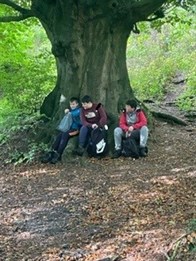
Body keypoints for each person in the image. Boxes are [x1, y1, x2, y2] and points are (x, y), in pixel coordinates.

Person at [42, 97, 81, 164]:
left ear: (77, 104)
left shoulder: (79, 110)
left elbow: (76, 116)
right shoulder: (71, 111)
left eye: (74, 104)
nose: (72, 106)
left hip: (76, 129)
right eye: (71, 104)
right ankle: (52, 152)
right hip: (69, 129)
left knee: (65, 135)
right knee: (59, 136)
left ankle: (59, 154)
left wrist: (68, 112)